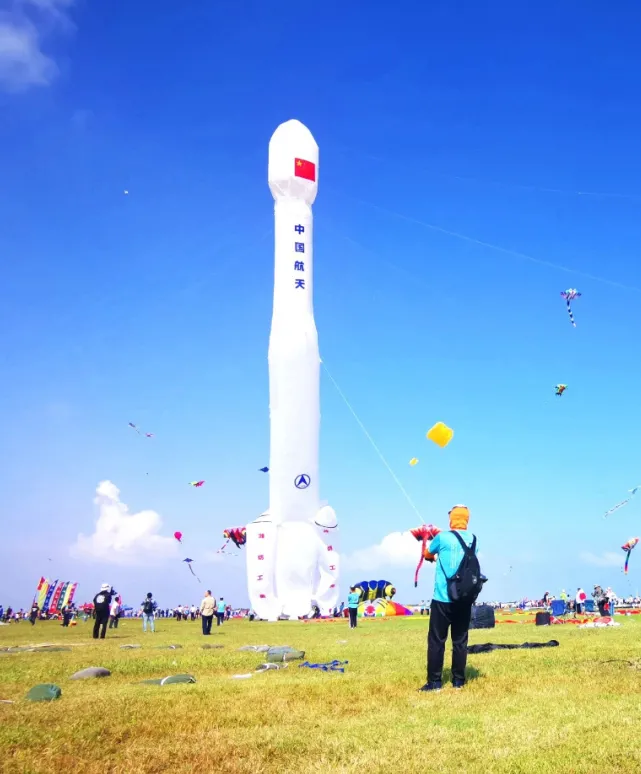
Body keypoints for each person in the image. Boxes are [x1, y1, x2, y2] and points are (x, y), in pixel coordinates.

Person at [421, 505, 480, 692]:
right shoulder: (474, 540)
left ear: (451, 519)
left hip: (442, 598)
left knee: (437, 640)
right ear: (467, 519)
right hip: (464, 599)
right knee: (460, 641)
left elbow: (427, 554)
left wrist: (433, 556)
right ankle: (458, 681)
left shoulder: (442, 537)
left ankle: (434, 682)